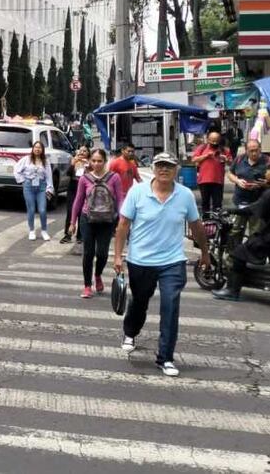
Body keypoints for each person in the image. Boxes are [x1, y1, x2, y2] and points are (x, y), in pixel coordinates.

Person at [114, 152, 209, 377]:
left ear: (176, 169)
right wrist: (118, 256)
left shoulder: (185, 195)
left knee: (170, 305)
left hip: (172, 261)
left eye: (168, 166)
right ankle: (130, 331)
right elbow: (123, 225)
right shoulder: (138, 192)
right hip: (141, 260)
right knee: (139, 302)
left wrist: (205, 253)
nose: (164, 170)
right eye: (160, 166)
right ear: (154, 169)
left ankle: (165, 357)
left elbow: (196, 226)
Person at [68, 149, 122, 298]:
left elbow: (119, 200)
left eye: (100, 161)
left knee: (102, 253)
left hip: (107, 220)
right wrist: (73, 222)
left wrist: (122, 220)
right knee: (88, 253)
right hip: (88, 219)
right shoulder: (85, 179)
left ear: (105, 161)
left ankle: (97, 275)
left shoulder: (114, 178)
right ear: (90, 161)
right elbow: (78, 201)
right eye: (94, 161)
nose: (96, 164)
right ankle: (87, 285)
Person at [213, 168, 270, 301]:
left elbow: (252, 209)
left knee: (239, 253)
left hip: (267, 236)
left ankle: (232, 291)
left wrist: (231, 210)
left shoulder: (268, 195)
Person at [14, 141, 54, 240]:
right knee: (31, 210)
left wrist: (49, 187)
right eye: (35, 147)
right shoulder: (26, 159)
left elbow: (49, 176)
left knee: (42, 210)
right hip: (28, 187)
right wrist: (23, 180)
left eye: (39, 148)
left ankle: (44, 230)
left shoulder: (46, 161)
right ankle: (32, 230)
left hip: (41, 187)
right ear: (32, 148)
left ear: (42, 150)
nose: (37, 149)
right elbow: (16, 170)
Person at [192, 131, 231, 213]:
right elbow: (194, 159)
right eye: (212, 141)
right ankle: (206, 222)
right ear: (208, 140)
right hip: (204, 180)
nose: (214, 143)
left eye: (216, 141)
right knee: (205, 203)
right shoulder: (202, 148)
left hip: (218, 181)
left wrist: (225, 159)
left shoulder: (224, 150)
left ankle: (217, 222)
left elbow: (231, 162)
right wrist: (206, 156)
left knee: (217, 205)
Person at [60, 147, 90, 244]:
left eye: (84, 151)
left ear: (88, 153)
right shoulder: (74, 160)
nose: (82, 152)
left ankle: (80, 236)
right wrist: (73, 164)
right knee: (70, 210)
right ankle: (67, 235)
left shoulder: (90, 162)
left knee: (82, 212)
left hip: (85, 188)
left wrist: (87, 165)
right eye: (80, 151)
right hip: (73, 187)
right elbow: (68, 173)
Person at [227, 139, 268, 208]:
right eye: (251, 151)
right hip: (240, 200)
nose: (254, 153)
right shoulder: (239, 159)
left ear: (260, 149)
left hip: (261, 202)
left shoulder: (267, 161)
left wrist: (265, 184)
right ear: (246, 151)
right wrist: (238, 181)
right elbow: (230, 173)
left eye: (256, 150)